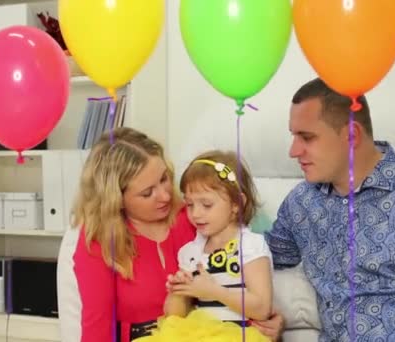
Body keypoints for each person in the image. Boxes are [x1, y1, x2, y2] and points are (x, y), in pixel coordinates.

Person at [266, 78, 395, 341]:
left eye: (307, 137)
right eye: (293, 136)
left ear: (352, 136)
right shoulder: (301, 203)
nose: (293, 151)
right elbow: (256, 259)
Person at [72, 127, 196, 342]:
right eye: (147, 193)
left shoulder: (193, 217)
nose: (165, 195)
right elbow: (97, 327)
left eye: (164, 178)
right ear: (116, 200)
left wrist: (263, 319)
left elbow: (235, 277)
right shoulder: (100, 242)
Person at [137, 150, 273, 342]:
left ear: (237, 204)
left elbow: (261, 308)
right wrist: (178, 291)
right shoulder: (190, 252)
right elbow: (174, 315)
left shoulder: (250, 245)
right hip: (195, 332)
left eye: (206, 205)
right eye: (190, 205)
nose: (196, 214)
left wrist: (214, 291)